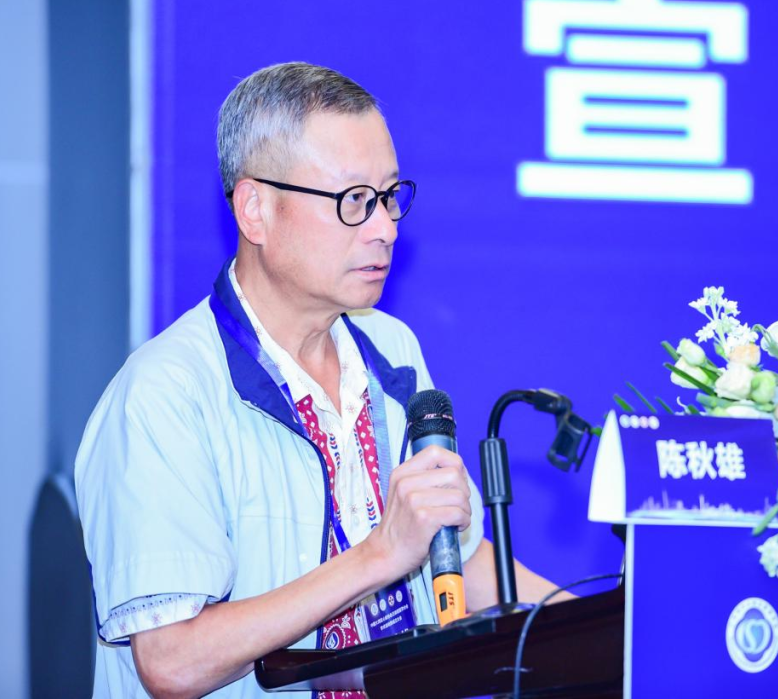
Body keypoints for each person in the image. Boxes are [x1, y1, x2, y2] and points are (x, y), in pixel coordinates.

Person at [75, 62, 562, 699]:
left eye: (389, 196)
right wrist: (379, 556)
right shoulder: (166, 395)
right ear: (255, 210)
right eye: (353, 200)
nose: (386, 227)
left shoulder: (391, 349)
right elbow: (172, 662)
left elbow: (460, 559)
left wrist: (618, 626)